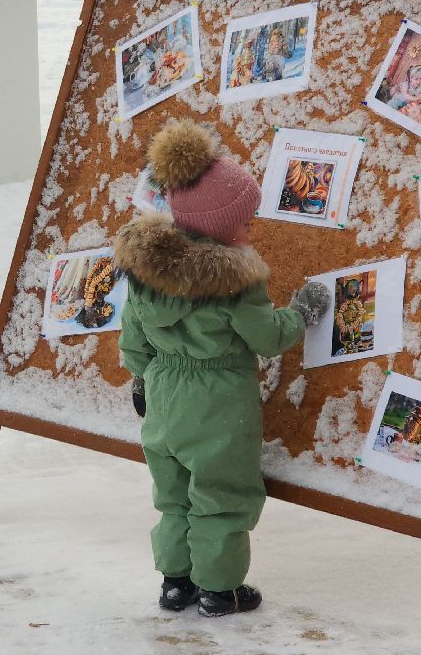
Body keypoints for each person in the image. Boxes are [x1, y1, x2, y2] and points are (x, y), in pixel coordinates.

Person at [114, 120, 329, 618]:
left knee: (173, 496)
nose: (252, 229)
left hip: (164, 399)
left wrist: (142, 378)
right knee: (221, 496)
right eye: (246, 222)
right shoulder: (234, 280)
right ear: (219, 226)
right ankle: (219, 590)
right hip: (218, 403)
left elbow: (132, 336)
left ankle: (175, 583)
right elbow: (269, 337)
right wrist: (302, 312)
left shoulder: (146, 274)